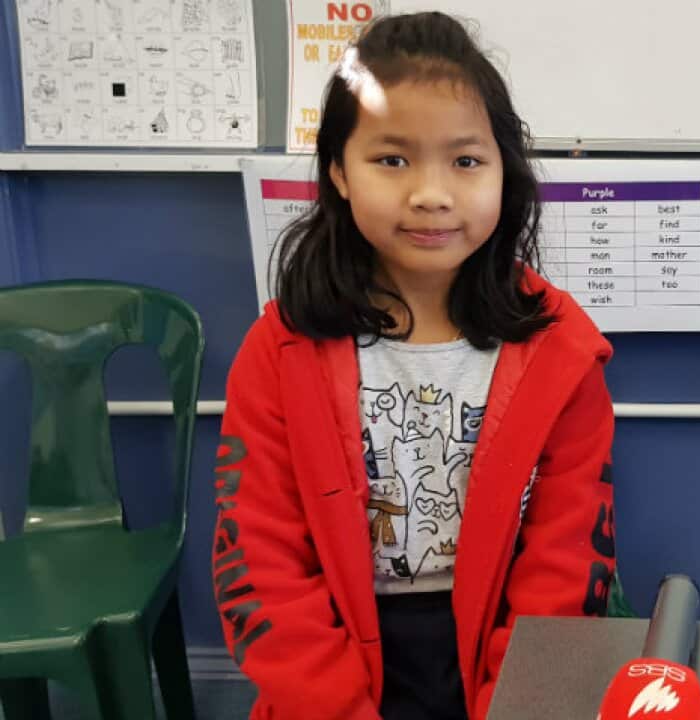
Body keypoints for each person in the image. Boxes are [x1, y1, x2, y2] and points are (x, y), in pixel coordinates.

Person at [212, 12, 617, 719]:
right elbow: (261, 565)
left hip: (505, 663)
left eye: (466, 161)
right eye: (392, 160)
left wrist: (511, 705)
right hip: (331, 670)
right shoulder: (278, 351)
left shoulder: (561, 354)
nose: (431, 193)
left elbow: (563, 567)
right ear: (339, 170)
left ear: (504, 173)